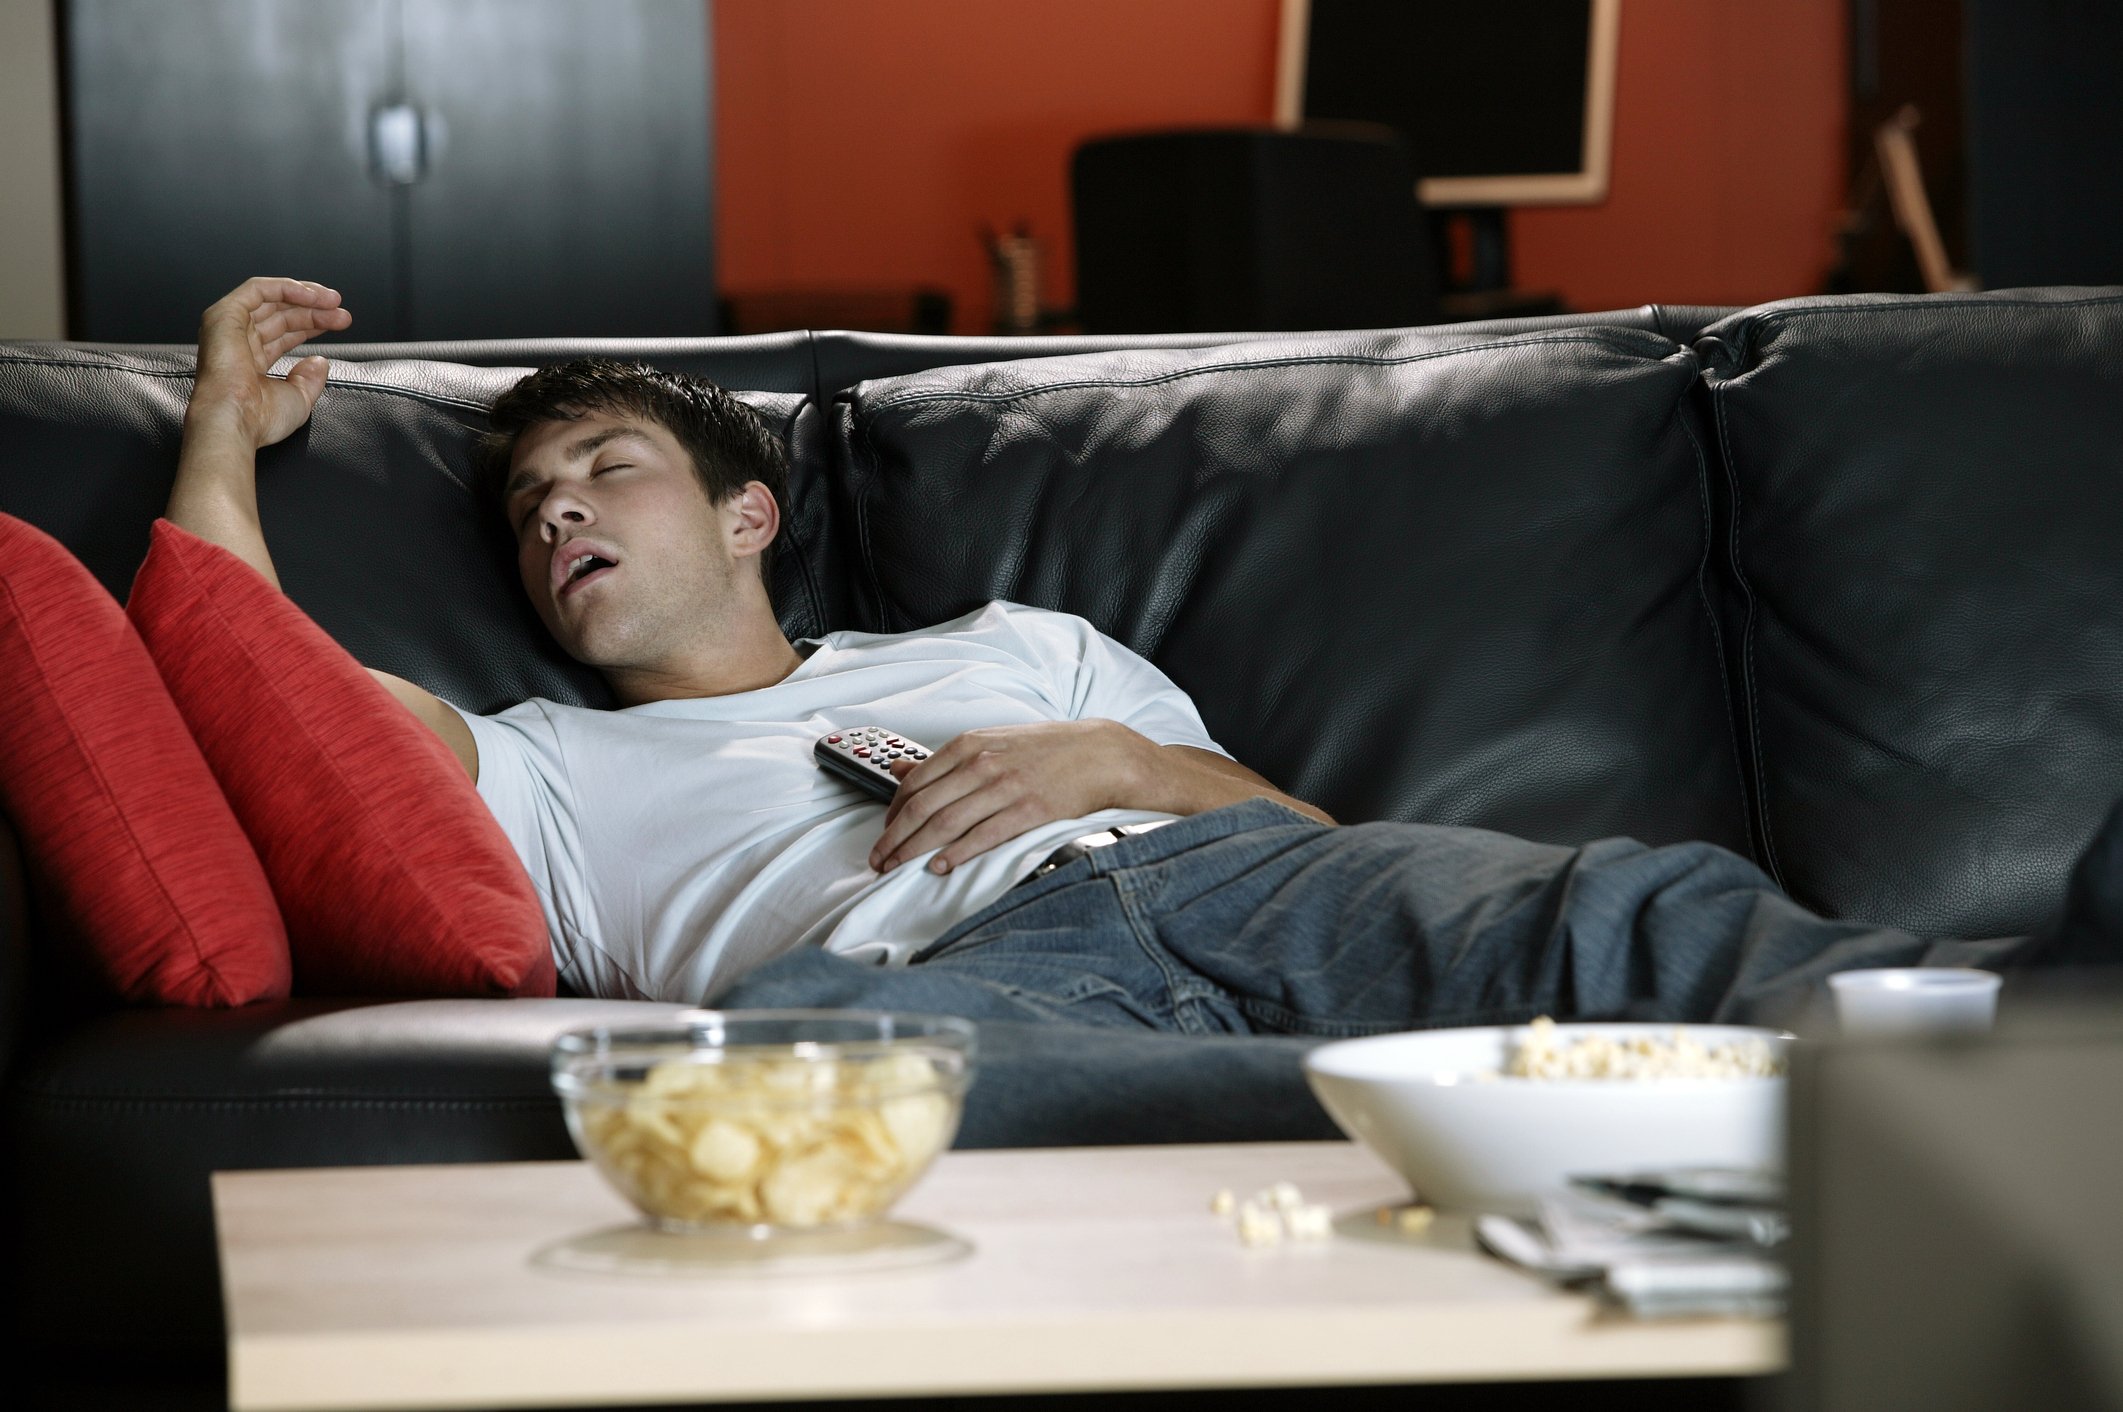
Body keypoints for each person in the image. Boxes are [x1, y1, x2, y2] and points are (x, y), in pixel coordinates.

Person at [169, 277, 2101, 1032]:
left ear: (749, 515)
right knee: (801, 1104)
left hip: (1228, 870)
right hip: (927, 992)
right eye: (527, 511)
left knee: (1632, 912)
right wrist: (214, 426)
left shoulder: (1024, 642)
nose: (559, 517)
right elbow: (235, 658)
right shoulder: (543, 765)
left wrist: (1125, 771)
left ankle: (2037, 1049)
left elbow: (1301, 824)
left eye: (607, 473)